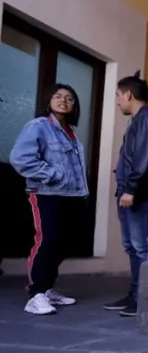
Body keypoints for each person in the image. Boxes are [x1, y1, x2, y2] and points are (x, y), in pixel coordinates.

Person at [10, 84, 87, 315]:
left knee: (62, 244)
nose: (63, 100)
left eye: (69, 98)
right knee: (47, 241)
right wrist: (53, 174)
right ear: (49, 100)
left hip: (71, 195)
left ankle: (48, 289)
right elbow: (20, 158)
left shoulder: (70, 132)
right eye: (58, 96)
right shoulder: (39, 126)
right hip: (46, 193)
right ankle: (35, 294)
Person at [103, 72, 148, 317]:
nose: (118, 101)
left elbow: (144, 158)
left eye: (118, 95)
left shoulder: (147, 119)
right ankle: (134, 295)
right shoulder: (139, 120)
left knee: (141, 248)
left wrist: (131, 188)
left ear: (128, 94)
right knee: (132, 246)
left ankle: (143, 299)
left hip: (139, 194)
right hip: (131, 191)